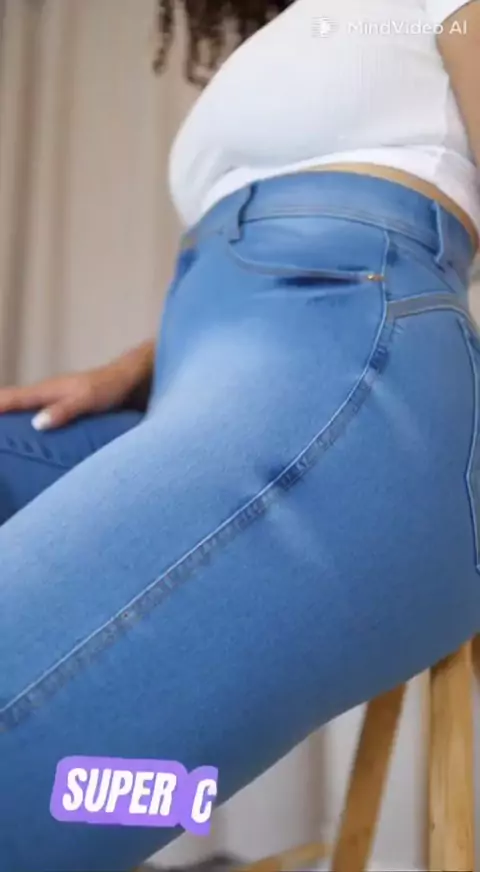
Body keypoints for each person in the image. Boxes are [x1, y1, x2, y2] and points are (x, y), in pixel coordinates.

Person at [1, 0, 480, 870]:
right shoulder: (285, 36)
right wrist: (132, 366)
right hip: (195, 383)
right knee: (107, 787)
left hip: (354, 378)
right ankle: (142, 807)